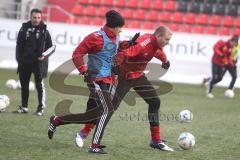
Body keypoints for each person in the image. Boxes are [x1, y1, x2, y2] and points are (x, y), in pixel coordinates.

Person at [75, 26, 174, 152]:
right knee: (109, 109)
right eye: (167, 39)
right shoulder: (145, 42)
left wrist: (165, 60)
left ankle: (155, 140)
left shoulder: (156, 46)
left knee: (155, 101)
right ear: (158, 36)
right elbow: (127, 52)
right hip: (123, 77)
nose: (168, 42)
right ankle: (85, 132)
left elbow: (157, 52)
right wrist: (115, 65)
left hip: (138, 76)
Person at [48, 10, 129, 154]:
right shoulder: (95, 37)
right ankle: (95, 146)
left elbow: (114, 48)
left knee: (91, 115)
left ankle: (57, 120)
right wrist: (84, 70)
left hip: (108, 79)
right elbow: (77, 53)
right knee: (107, 110)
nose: (121, 30)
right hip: (96, 79)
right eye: (120, 27)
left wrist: (128, 44)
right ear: (113, 26)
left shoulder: (116, 36)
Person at [15, 8, 53, 116]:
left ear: (41, 18)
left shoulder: (46, 29)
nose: (37, 20)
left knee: (39, 86)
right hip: (24, 62)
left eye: (39, 18)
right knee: (24, 85)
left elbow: (52, 46)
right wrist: (19, 59)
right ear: (30, 17)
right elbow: (19, 45)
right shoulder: (24, 28)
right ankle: (24, 107)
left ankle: (40, 108)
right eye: (34, 17)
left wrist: (44, 55)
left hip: (38, 63)